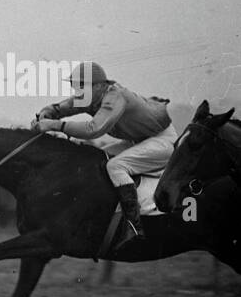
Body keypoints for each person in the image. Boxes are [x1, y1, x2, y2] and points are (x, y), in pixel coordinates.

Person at [33, 61, 176, 246]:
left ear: (100, 85)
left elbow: (94, 129)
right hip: (141, 140)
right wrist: (47, 113)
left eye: (82, 86)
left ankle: (134, 226)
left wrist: (54, 125)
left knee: (115, 166)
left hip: (162, 141)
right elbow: (63, 107)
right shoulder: (93, 95)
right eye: (75, 86)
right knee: (95, 157)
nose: (78, 92)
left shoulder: (115, 97)